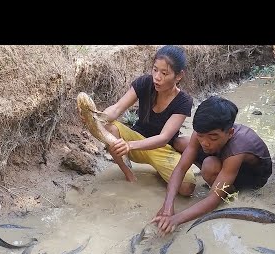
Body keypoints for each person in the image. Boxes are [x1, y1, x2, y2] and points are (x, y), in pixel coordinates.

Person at [81, 45, 196, 196]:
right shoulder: (144, 83)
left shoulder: (184, 101)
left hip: (161, 149)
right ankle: (129, 175)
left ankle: (160, 172)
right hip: (136, 143)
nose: (157, 77)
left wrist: (129, 145)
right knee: (110, 128)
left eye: (164, 73)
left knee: (187, 188)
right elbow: (116, 109)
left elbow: (164, 138)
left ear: (179, 76)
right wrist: (96, 117)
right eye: (155, 70)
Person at [152, 95, 273, 235]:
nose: (205, 142)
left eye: (213, 137)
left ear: (230, 133)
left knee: (209, 166)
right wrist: (167, 207)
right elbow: (181, 168)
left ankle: (229, 190)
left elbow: (213, 199)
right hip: (223, 154)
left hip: (251, 176)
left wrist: (176, 219)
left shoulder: (237, 150)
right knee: (180, 142)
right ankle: (217, 169)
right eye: (201, 136)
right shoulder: (204, 135)